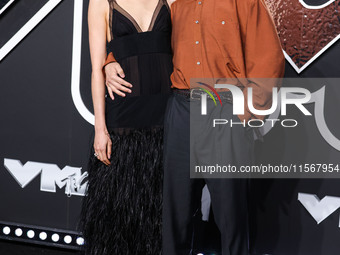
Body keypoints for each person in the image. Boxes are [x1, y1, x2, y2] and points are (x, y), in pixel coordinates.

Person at [104, 0, 285, 254]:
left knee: (231, 217)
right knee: (175, 216)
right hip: (181, 109)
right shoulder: (179, 5)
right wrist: (111, 60)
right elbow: (151, 44)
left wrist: (244, 116)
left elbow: (269, 59)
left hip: (225, 108)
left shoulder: (245, 2)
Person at [79, 0, 174, 254]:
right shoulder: (101, 3)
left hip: (166, 118)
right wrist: (100, 129)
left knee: (159, 216)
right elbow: (96, 69)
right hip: (123, 119)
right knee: (117, 217)